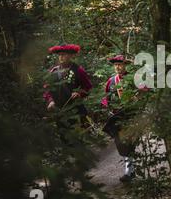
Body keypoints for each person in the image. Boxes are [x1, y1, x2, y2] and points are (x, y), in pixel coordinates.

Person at [101, 54, 148, 182]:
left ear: (125, 65)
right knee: (120, 142)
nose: (117, 67)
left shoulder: (133, 78)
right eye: (115, 65)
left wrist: (137, 97)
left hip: (131, 115)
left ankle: (129, 171)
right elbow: (106, 98)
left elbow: (145, 90)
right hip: (117, 116)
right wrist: (107, 108)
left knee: (129, 142)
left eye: (120, 64)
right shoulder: (111, 81)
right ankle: (130, 170)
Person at [43, 44, 92, 129]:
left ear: (70, 55)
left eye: (64, 54)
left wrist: (79, 93)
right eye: (60, 55)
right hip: (60, 110)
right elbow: (47, 89)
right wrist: (50, 100)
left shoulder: (78, 70)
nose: (61, 57)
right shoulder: (53, 71)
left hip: (76, 110)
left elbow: (88, 87)